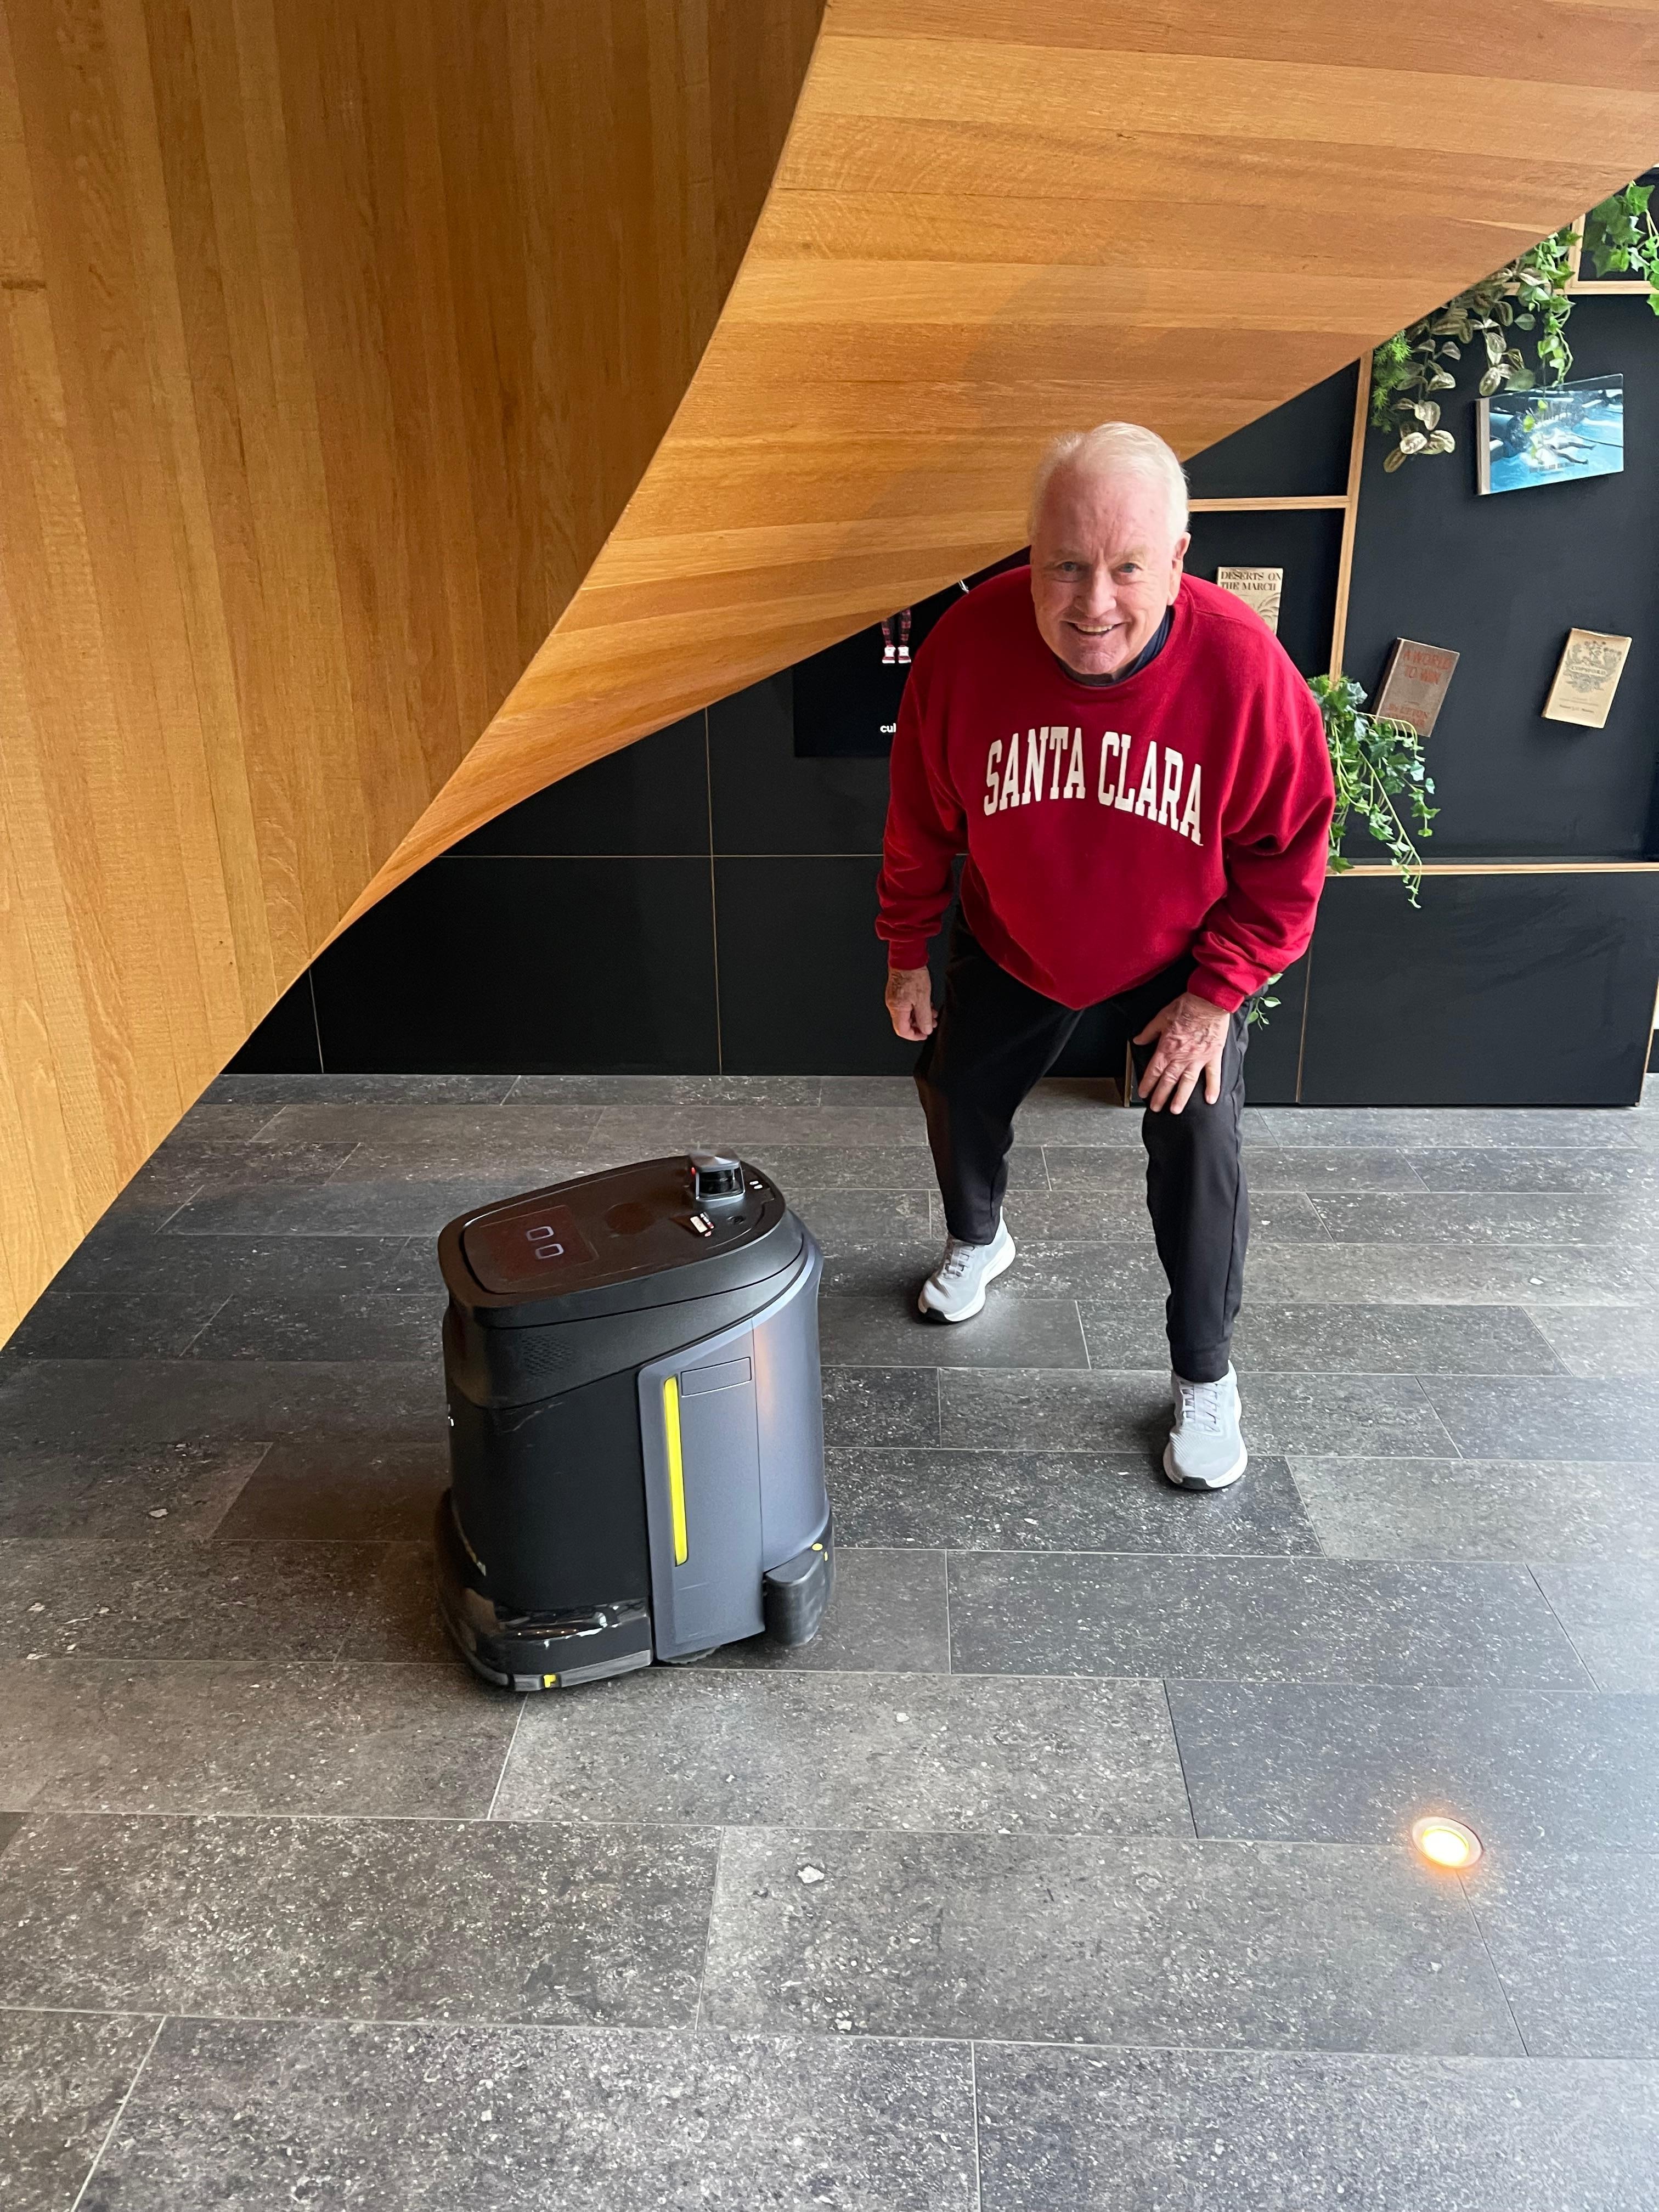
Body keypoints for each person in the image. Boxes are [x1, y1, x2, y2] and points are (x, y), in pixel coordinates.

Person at [876, 423, 1334, 1492]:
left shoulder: (1242, 670)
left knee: (1201, 1159)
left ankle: (1204, 1375)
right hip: (1016, 940)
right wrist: (907, 951)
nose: (1095, 603)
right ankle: (980, 1237)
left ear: (1179, 561)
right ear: (1026, 553)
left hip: (1182, 962)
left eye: (1129, 567)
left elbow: (1289, 854)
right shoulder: (965, 650)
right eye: (1066, 566)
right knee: (954, 1086)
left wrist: (1216, 998)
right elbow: (918, 823)